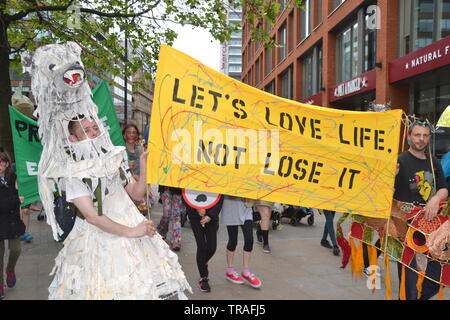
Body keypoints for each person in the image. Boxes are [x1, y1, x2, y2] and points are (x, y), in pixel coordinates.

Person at [393, 119, 448, 300]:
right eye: (417, 135)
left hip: (432, 231)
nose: (421, 139)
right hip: (406, 233)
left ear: (429, 138)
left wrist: (436, 199)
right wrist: (389, 177)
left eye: (425, 135)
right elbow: (383, 193)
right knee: (409, 283)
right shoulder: (399, 161)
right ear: (409, 137)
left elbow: (443, 188)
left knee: (434, 278)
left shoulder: (434, 162)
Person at [0, 149, 26, 299]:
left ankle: (10, 269)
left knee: (16, 249)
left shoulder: (14, 178)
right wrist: (17, 199)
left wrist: (19, 191)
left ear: (7, 163)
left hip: (12, 222)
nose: (0, 165)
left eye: (2, 161)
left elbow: (23, 195)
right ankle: (0, 284)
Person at [185, 194, 224, 293]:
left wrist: (210, 215)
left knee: (212, 248)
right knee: (201, 247)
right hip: (194, 215)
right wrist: (197, 208)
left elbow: (220, 196)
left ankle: (203, 262)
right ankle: (203, 277)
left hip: (212, 216)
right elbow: (185, 194)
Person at [221, 196, 262, 289]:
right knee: (233, 241)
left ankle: (246, 271)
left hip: (246, 206)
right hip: (230, 207)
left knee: (249, 239)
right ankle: (230, 271)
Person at [156, 185, 185, 251]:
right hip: (166, 188)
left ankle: (176, 241)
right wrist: (160, 190)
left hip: (179, 190)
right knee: (166, 214)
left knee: (176, 216)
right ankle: (162, 231)